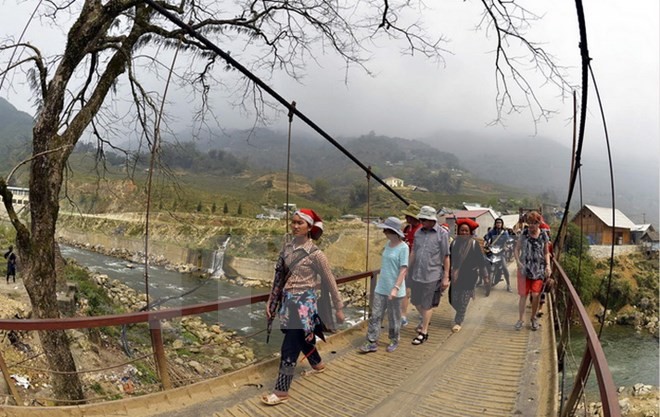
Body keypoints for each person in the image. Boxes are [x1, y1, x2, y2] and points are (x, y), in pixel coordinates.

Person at [262, 209, 345, 406]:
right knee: (302, 338)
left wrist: (338, 307)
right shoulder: (286, 250)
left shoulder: (316, 255)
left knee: (289, 346)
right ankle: (318, 364)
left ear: (309, 227)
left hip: (304, 306)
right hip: (287, 303)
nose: (295, 226)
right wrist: (271, 302)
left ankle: (281, 392)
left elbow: (330, 281)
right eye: (293, 222)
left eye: (300, 223)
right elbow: (278, 279)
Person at [359, 217, 408, 353]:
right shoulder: (387, 244)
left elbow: (403, 269)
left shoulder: (404, 247)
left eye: (385, 230)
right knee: (375, 315)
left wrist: (395, 288)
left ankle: (394, 339)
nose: (384, 232)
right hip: (381, 287)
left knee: (394, 317)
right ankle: (372, 341)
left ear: (392, 231)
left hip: (395, 289)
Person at [407, 205, 450, 345]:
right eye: (421, 219)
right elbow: (414, 251)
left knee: (426, 304)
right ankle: (426, 319)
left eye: (424, 219)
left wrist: (445, 277)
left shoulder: (442, 234)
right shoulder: (418, 232)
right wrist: (408, 267)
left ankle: (424, 332)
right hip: (417, 273)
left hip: (432, 274)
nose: (422, 221)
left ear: (431, 220)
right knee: (415, 301)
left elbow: (446, 256)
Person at [514, 211, 552, 331]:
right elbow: (516, 249)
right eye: (529, 223)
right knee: (523, 296)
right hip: (524, 269)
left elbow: (546, 252)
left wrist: (548, 265)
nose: (531, 226)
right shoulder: (524, 233)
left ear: (538, 223)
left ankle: (533, 318)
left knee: (536, 295)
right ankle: (520, 319)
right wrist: (518, 262)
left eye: (534, 223)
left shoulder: (543, 235)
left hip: (538, 269)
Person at [449, 219, 489, 333]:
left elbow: (481, 261)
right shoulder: (454, 243)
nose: (464, 233)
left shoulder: (474, 244)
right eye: (462, 230)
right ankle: (460, 312)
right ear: (458, 231)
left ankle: (458, 321)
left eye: (466, 231)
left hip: (469, 277)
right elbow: (449, 259)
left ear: (470, 232)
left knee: (463, 300)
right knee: (453, 299)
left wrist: (485, 276)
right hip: (456, 276)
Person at [400, 203, 421, 327]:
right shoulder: (407, 229)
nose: (406, 218)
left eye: (408, 216)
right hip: (406, 263)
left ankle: (423, 315)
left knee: (417, 292)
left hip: (417, 265)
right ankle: (403, 315)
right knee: (405, 290)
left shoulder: (420, 230)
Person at [484, 217, 512, 291]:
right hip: (492, 250)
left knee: (505, 268)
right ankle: (483, 279)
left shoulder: (505, 233)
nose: (498, 224)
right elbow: (486, 237)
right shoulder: (492, 231)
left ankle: (508, 285)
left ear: (502, 224)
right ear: (495, 224)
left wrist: (507, 246)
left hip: (501, 251)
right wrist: (486, 241)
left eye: (500, 223)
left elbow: (508, 240)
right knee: (483, 263)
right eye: (497, 223)